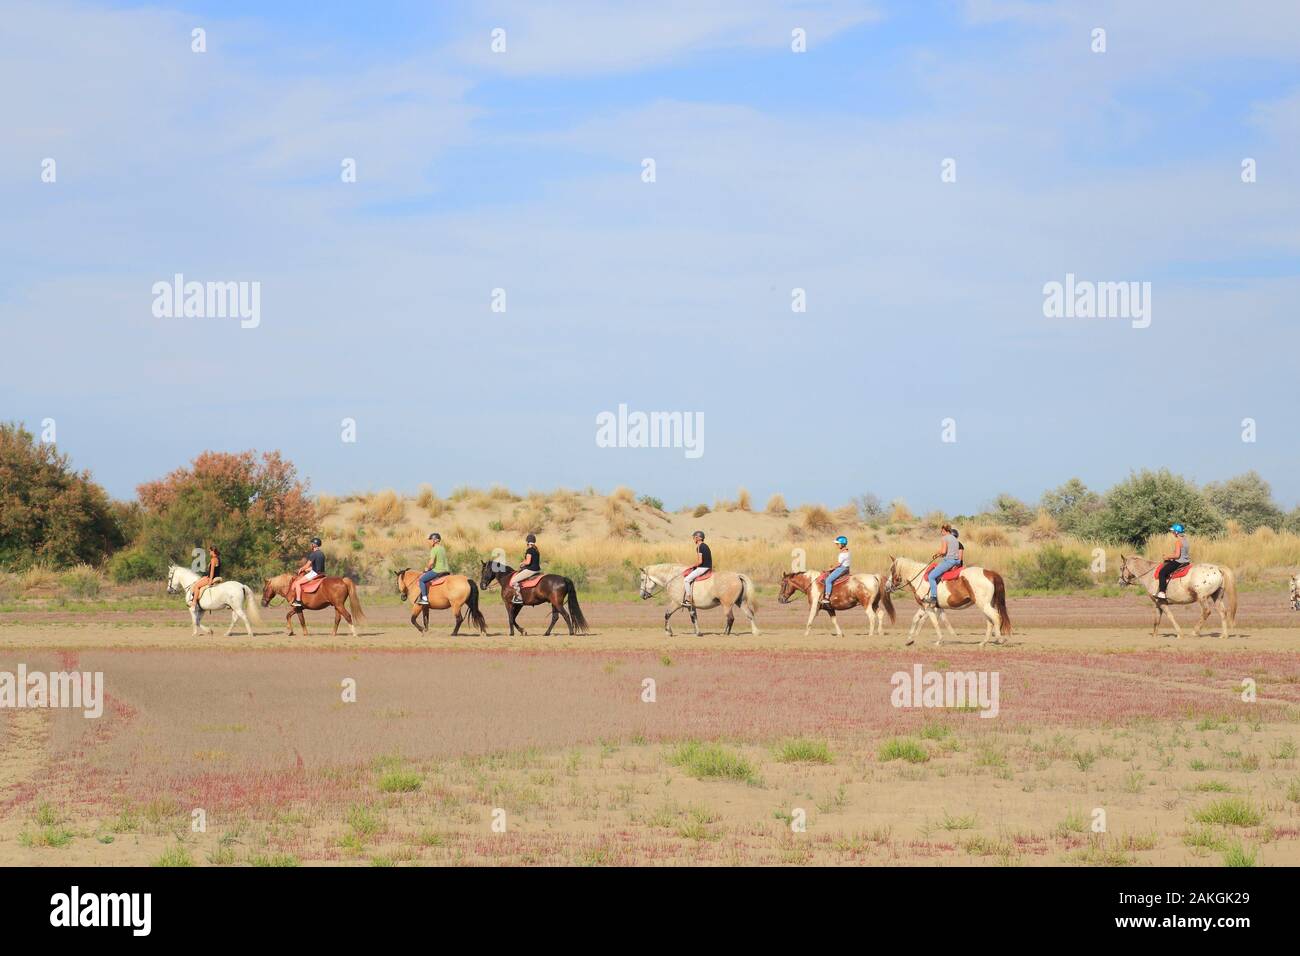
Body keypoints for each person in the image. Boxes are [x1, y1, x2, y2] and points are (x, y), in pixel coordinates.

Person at [925, 523, 962, 608]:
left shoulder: (944, 538)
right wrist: (941, 554)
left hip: (949, 561)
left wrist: (937, 553)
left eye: (941, 531)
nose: (941, 532)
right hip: (957, 561)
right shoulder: (954, 538)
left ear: (944, 530)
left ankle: (933, 597)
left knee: (931, 576)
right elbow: (949, 551)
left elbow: (944, 551)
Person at [1156, 523, 1190, 600]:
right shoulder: (1185, 540)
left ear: (1177, 532)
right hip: (1186, 562)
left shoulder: (1178, 542)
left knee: (1162, 572)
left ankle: (1162, 592)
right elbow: (1182, 554)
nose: (1172, 533)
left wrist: (1167, 556)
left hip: (1179, 562)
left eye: (1173, 531)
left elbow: (1177, 555)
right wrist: (1171, 557)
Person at [290, 537, 326, 608]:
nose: (311, 545)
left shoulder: (313, 554)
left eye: (311, 544)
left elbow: (307, 565)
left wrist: (301, 569)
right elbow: (317, 566)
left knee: (297, 583)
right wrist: (308, 569)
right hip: (322, 573)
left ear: (314, 545)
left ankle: (298, 601)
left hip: (315, 574)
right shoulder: (322, 554)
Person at [417, 533, 450, 605]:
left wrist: (427, 568)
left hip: (438, 570)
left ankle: (424, 599)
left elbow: (431, 562)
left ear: (435, 540)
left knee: (421, 580)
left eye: (430, 540)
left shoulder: (434, 549)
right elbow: (439, 560)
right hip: (446, 570)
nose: (429, 542)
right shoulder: (442, 548)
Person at [509, 533, 541, 604]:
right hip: (537, 570)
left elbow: (528, 562)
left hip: (531, 570)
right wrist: (524, 562)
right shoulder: (536, 550)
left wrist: (522, 563)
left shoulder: (529, 550)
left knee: (513, 581)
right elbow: (531, 560)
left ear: (527, 542)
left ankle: (519, 598)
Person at [820, 536, 851, 608]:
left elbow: (838, 564)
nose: (837, 545)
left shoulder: (842, 554)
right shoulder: (847, 551)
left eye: (838, 544)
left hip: (842, 569)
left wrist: (830, 569)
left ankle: (827, 597)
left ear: (842, 544)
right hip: (846, 568)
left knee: (828, 580)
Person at [683, 531, 712, 606]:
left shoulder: (700, 547)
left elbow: (700, 562)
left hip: (703, 568)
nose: (693, 539)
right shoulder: (705, 545)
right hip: (707, 566)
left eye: (694, 537)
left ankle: (689, 600)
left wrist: (692, 566)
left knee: (686, 580)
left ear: (698, 538)